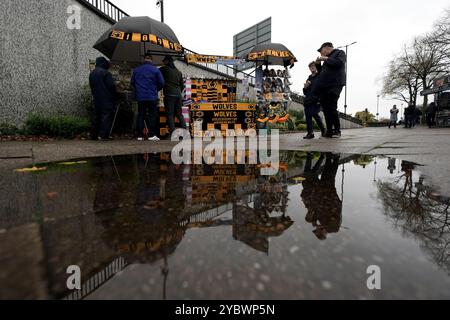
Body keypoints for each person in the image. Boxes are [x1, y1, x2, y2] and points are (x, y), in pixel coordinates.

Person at [302, 152, 342, 240]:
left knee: (325, 174)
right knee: (330, 176)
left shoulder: (321, 221)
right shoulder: (333, 229)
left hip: (323, 193)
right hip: (330, 197)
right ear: (323, 233)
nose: (317, 228)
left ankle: (329, 157)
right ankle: (336, 158)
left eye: (316, 229)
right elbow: (335, 223)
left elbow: (316, 210)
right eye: (318, 230)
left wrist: (313, 220)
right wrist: (323, 226)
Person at [313, 42, 347, 138]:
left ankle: (337, 130)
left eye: (321, 50)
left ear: (327, 48)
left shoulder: (339, 53)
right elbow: (322, 73)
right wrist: (318, 65)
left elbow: (339, 63)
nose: (320, 53)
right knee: (326, 108)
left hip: (335, 84)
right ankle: (329, 131)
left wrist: (326, 59)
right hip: (324, 86)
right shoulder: (327, 60)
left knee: (331, 106)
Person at [131, 52, 165, 141]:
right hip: (152, 97)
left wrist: (139, 90)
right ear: (151, 60)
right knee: (152, 115)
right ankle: (152, 135)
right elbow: (162, 83)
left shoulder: (136, 70)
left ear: (144, 59)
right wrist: (156, 89)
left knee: (141, 115)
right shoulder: (156, 70)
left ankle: (140, 135)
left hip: (140, 97)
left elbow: (132, 83)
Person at [89, 57, 118, 141]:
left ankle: (93, 135)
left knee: (96, 117)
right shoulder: (106, 73)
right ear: (103, 63)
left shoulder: (92, 73)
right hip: (106, 98)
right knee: (106, 117)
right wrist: (115, 94)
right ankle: (104, 135)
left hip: (96, 98)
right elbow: (111, 86)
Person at [159, 55, 187, 135]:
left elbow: (156, 73)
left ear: (167, 61)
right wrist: (178, 92)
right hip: (178, 96)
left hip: (169, 95)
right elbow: (182, 86)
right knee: (179, 114)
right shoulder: (178, 72)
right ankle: (185, 131)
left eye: (164, 61)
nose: (163, 63)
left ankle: (173, 132)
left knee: (170, 114)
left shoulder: (164, 69)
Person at [303, 61, 326, 139]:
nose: (312, 67)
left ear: (316, 67)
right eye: (310, 67)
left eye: (313, 66)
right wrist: (305, 87)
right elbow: (305, 92)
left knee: (314, 114)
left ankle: (323, 130)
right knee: (309, 116)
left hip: (316, 99)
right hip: (308, 100)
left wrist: (320, 98)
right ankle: (311, 133)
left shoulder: (319, 76)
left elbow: (322, 87)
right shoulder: (309, 78)